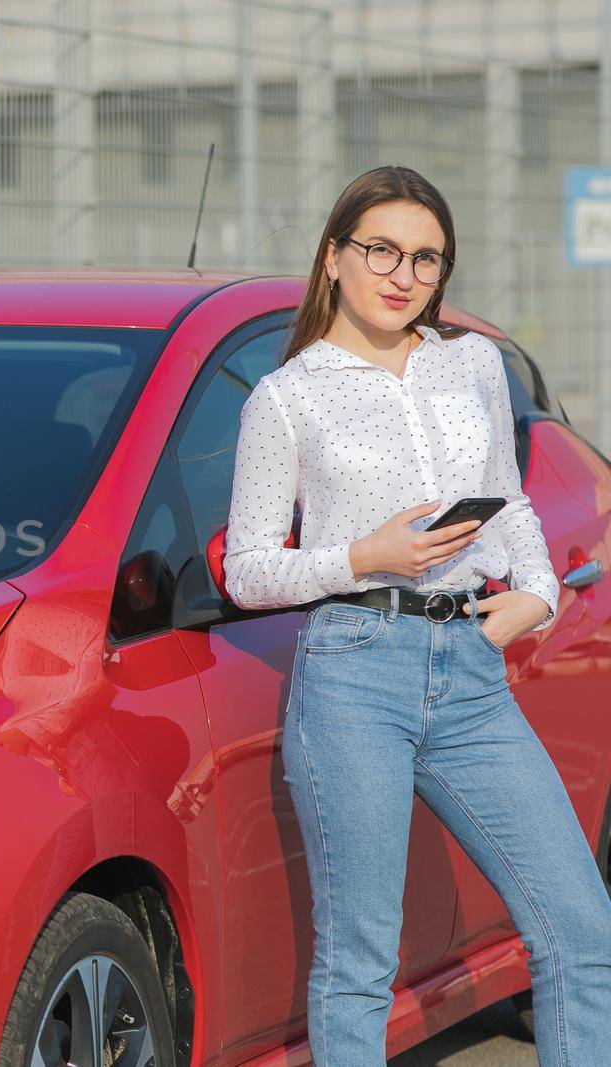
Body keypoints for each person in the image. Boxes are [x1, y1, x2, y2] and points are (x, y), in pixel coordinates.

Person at [222, 164, 611, 1066]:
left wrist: (538, 593)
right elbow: (247, 570)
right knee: (359, 960)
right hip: (356, 668)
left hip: (472, 670)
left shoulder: (469, 364)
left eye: (426, 258)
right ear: (334, 257)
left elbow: (506, 500)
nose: (402, 274)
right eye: (381, 250)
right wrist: (365, 557)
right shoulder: (286, 398)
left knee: (580, 925)